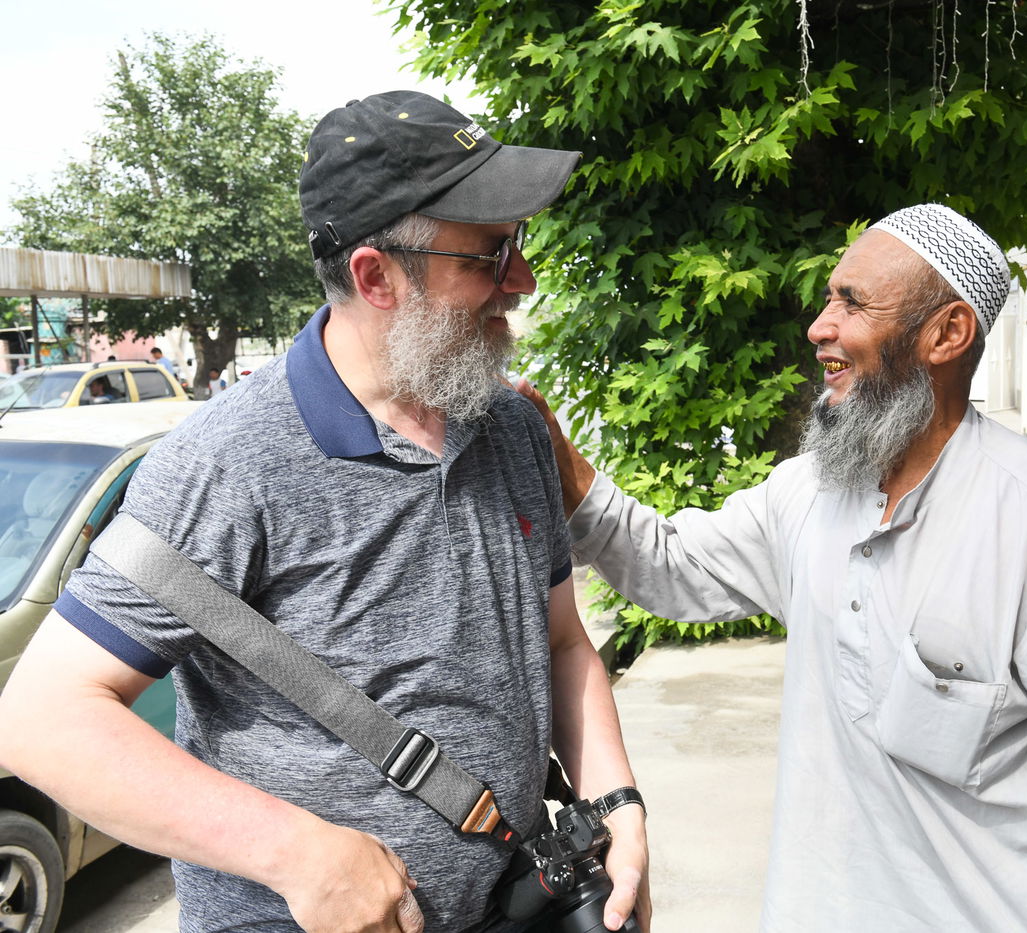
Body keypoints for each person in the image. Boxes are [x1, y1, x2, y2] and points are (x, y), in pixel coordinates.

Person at [0, 90, 649, 933]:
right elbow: (42, 718)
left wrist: (618, 805)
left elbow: (563, 641)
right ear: (376, 275)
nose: (520, 282)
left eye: (517, 247)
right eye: (487, 257)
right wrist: (293, 851)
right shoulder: (227, 463)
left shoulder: (514, 428)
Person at [518, 204, 1027, 931]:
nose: (818, 326)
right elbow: (672, 564)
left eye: (852, 302)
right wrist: (569, 473)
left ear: (947, 333)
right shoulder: (807, 494)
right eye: (828, 297)